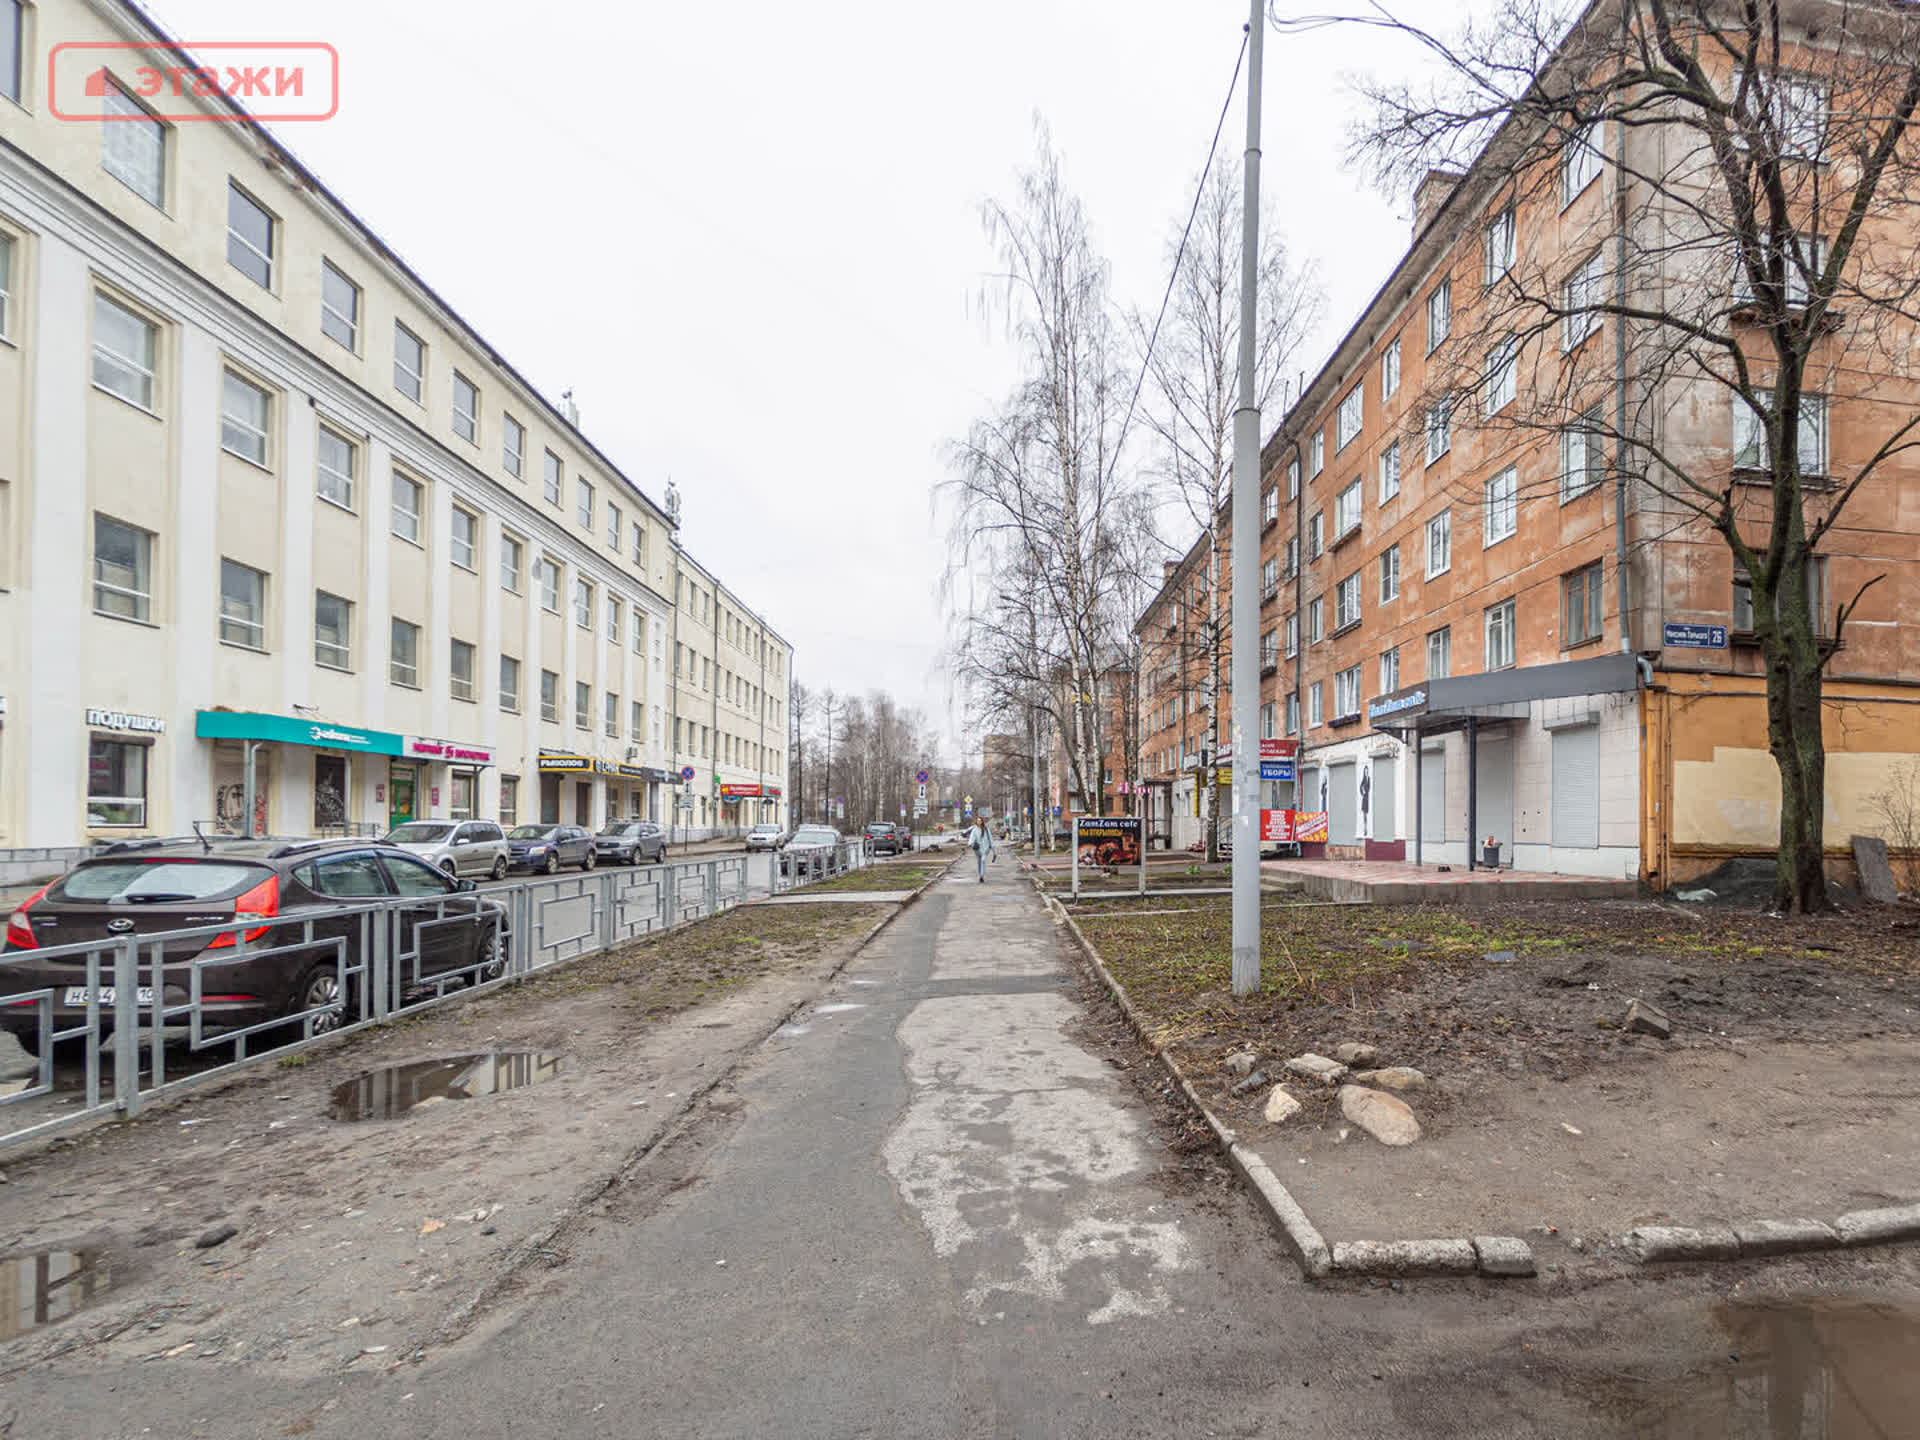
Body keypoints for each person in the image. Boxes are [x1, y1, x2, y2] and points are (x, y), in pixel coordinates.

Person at [969, 814, 996, 883]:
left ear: (982, 822)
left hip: (985, 848)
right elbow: (972, 838)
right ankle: (979, 874)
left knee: (983, 860)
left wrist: (993, 850)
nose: (979, 822)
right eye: (978, 821)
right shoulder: (974, 829)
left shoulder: (986, 829)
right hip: (977, 849)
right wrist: (971, 844)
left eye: (980, 821)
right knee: (979, 862)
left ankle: (982, 875)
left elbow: (990, 839)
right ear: (976, 822)